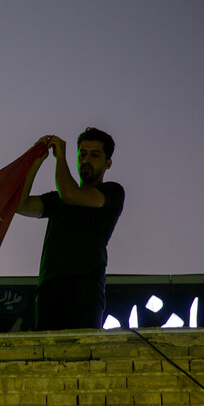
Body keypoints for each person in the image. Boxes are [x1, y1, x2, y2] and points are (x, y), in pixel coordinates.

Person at [16, 127, 124, 330]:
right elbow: (20, 204)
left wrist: (60, 158)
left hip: (86, 290)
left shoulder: (113, 192)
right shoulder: (56, 200)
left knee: (82, 355)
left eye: (94, 155)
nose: (86, 160)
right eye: (82, 154)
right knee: (49, 356)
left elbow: (70, 194)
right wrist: (37, 160)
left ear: (107, 163)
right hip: (50, 288)